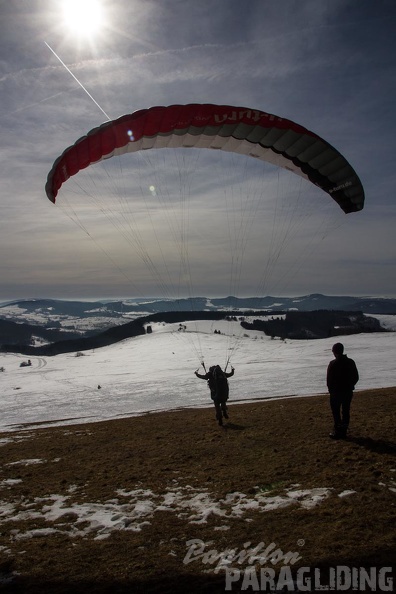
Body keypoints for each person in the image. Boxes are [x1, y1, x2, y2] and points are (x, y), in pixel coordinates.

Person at [326, 342, 359, 439]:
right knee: (345, 411)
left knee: (336, 412)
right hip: (348, 392)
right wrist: (350, 385)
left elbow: (329, 380)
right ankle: (343, 431)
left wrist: (331, 390)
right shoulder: (350, 362)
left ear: (335, 352)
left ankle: (338, 431)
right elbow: (356, 377)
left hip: (336, 393)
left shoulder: (333, 364)